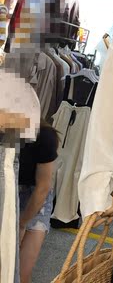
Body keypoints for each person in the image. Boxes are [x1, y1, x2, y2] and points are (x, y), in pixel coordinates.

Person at [18, 119, 58, 283]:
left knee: (22, 273)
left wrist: (22, 223)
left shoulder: (44, 135)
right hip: (7, 191)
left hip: (35, 198)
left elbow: (43, 187)